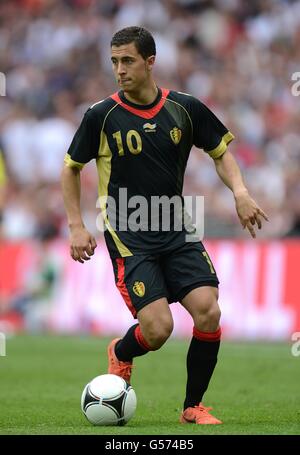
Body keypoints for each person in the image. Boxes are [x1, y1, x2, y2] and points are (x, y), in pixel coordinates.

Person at [61, 26, 268, 425]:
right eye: (115, 62)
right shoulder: (101, 115)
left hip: (176, 228)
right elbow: (71, 169)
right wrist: (76, 225)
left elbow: (220, 151)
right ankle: (122, 352)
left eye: (128, 61)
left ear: (150, 62)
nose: (119, 70)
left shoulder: (184, 108)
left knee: (208, 312)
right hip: (128, 233)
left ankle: (193, 406)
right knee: (157, 330)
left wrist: (240, 192)